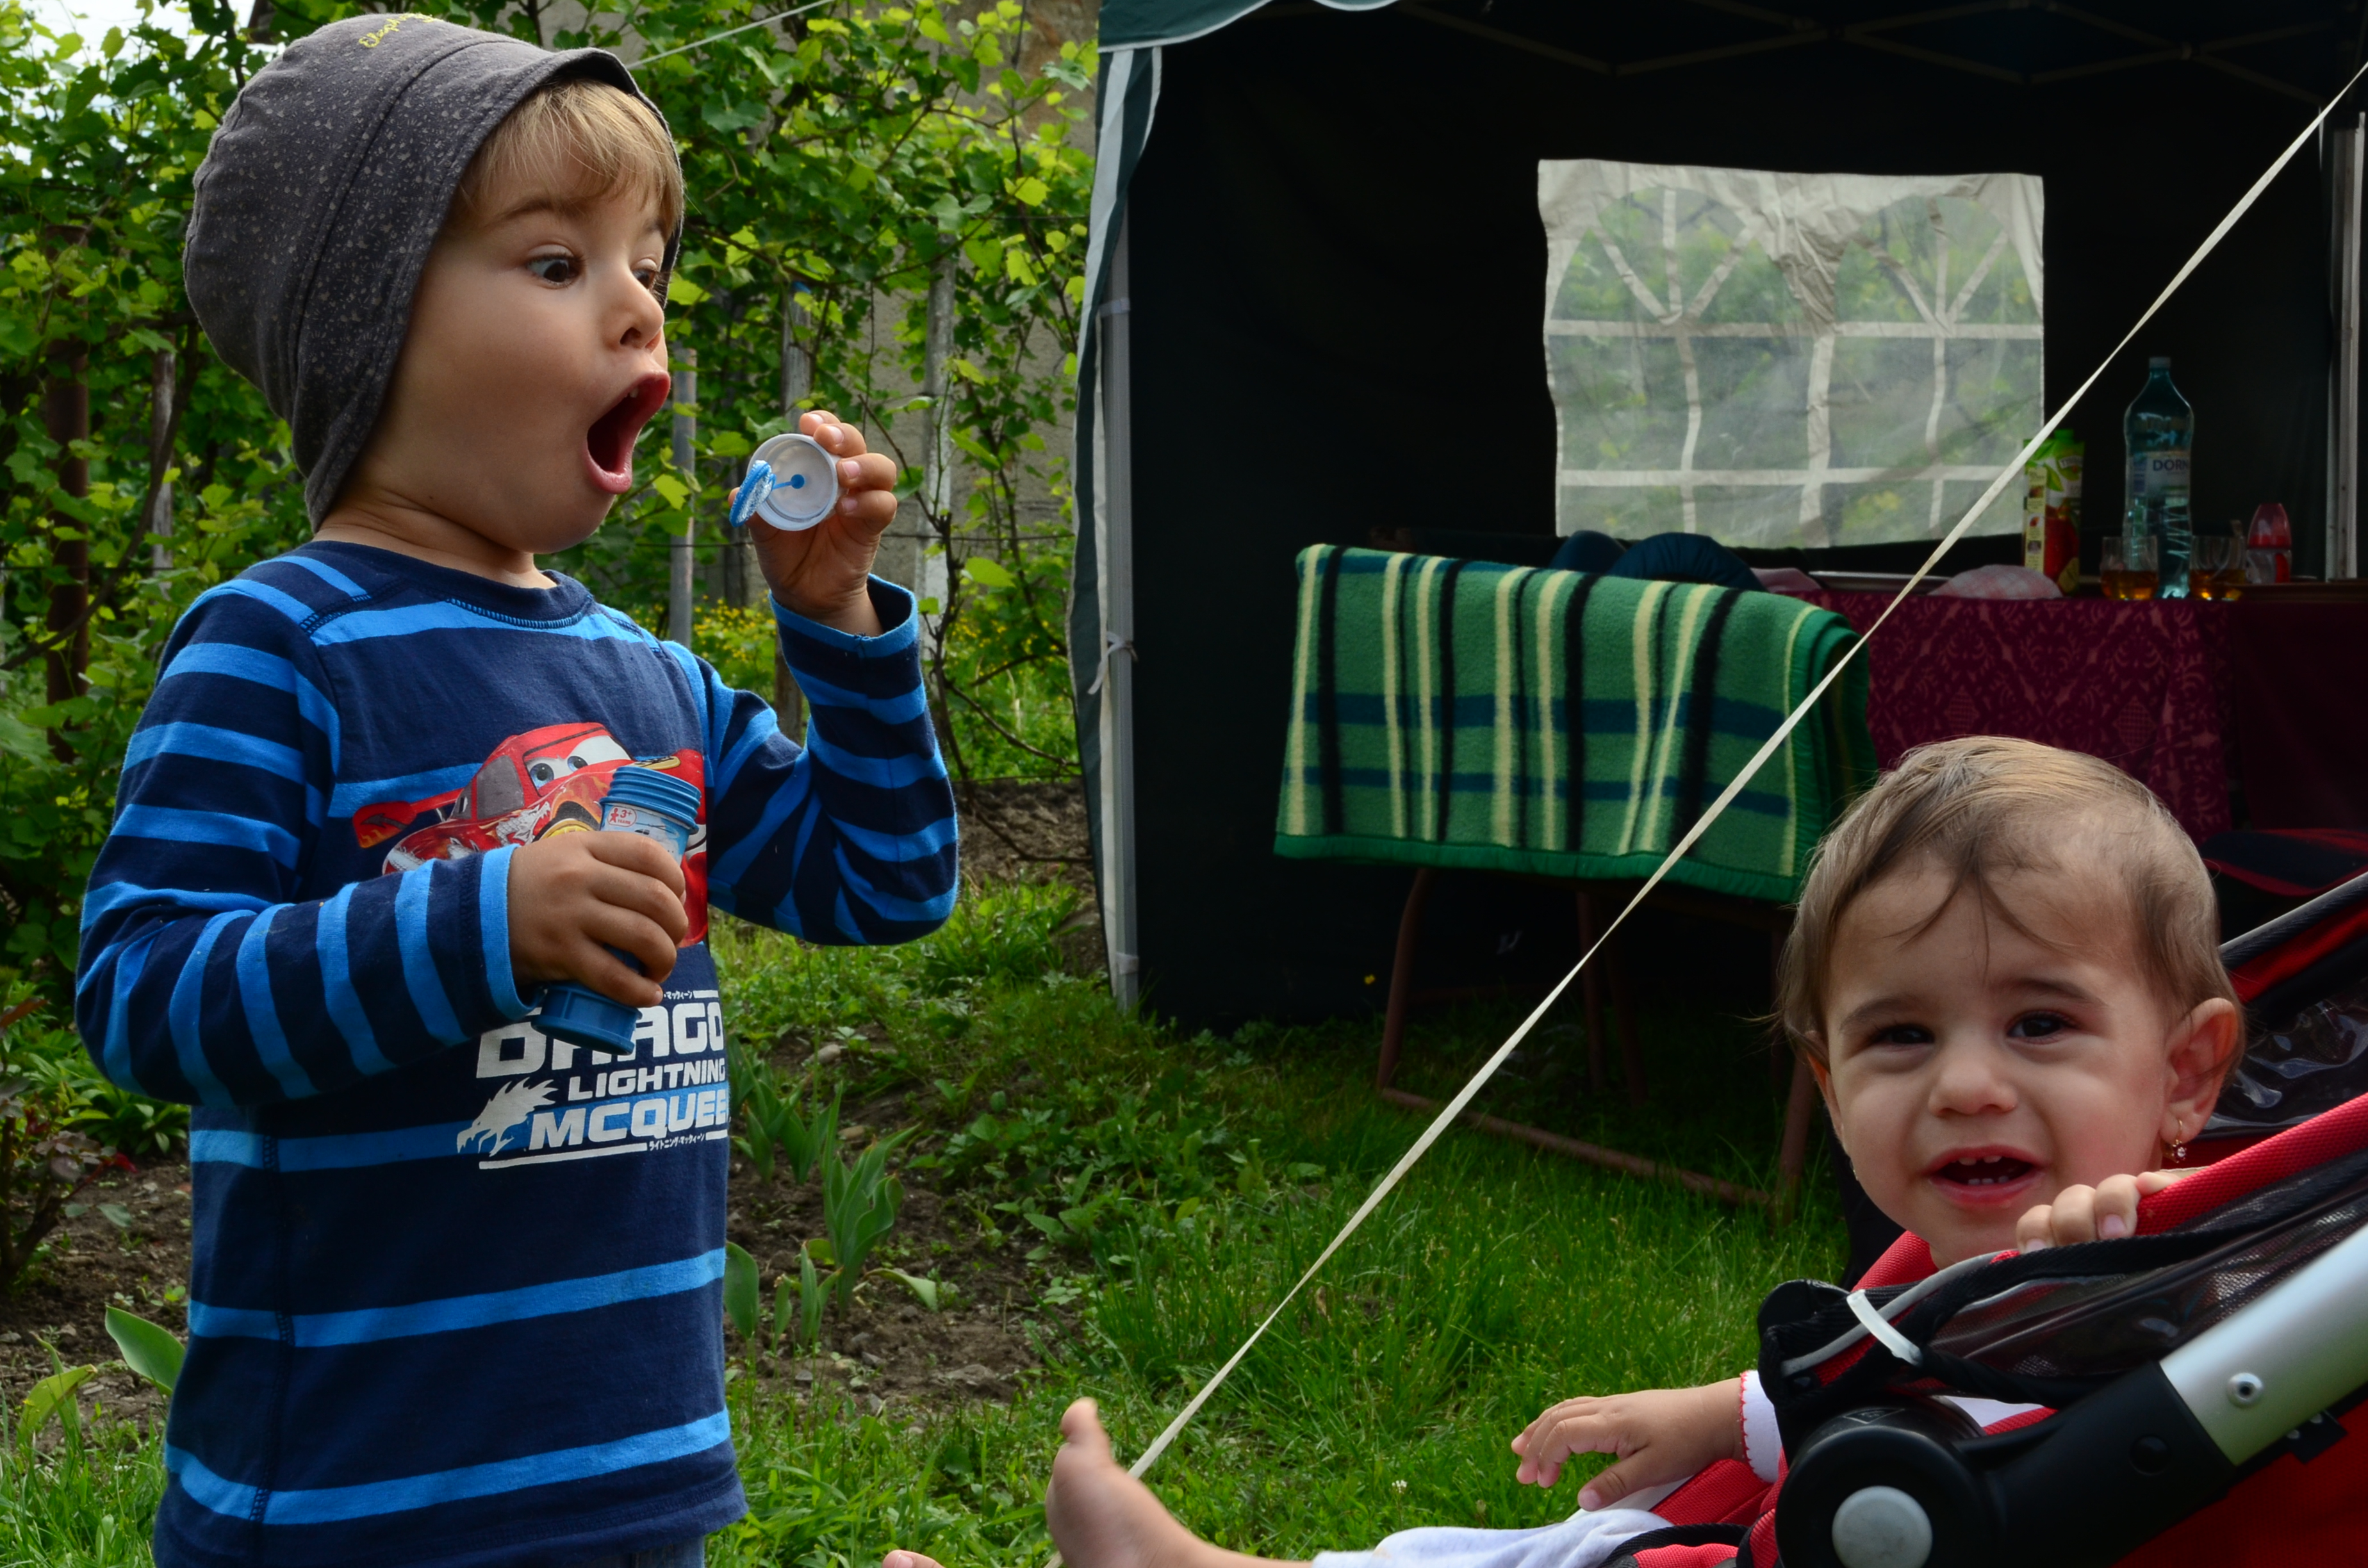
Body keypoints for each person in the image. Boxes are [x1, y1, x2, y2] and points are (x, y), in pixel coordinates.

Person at [73, 18, 955, 1568]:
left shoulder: (650, 682)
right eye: (557, 263)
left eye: (650, 268)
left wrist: (839, 628)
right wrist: (478, 921)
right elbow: (144, 992)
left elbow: (883, 884)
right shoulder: (283, 646)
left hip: (630, 1479)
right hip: (356, 1502)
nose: (636, 305)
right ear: (370, 332)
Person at [881, 737, 2243, 1568]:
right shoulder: (1949, 1261)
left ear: (2186, 1073)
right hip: (1825, 1512)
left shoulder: (2171, 1259)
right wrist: (1718, 1415)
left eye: (2040, 1024)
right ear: (1828, 1089)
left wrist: (2120, 1283)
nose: (1965, 1086)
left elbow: (2062, 1394)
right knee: (1531, 1548)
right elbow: (1896, 1366)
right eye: (1899, 1038)